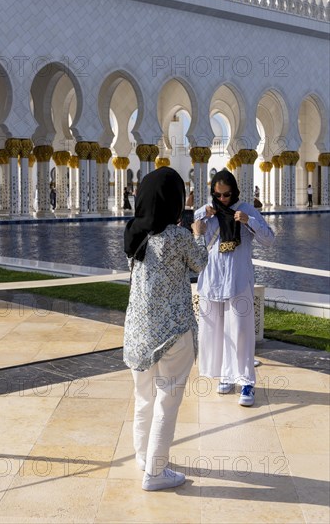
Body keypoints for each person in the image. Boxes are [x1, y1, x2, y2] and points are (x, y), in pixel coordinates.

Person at [123, 167, 207, 491]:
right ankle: (155, 474)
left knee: (143, 397)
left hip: (138, 333)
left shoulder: (134, 234)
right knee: (167, 401)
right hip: (173, 332)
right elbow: (200, 263)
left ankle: (144, 457)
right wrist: (198, 232)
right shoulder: (179, 236)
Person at [195, 170, 274, 407]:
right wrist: (200, 220)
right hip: (213, 281)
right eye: (217, 195)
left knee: (240, 332)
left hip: (238, 281)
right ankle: (226, 375)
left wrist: (249, 222)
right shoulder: (207, 211)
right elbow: (194, 236)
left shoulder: (247, 210)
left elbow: (270, 240)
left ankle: (247, 381)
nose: (222, 199)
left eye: (226, 195)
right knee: (216, 332)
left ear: (234, 192)